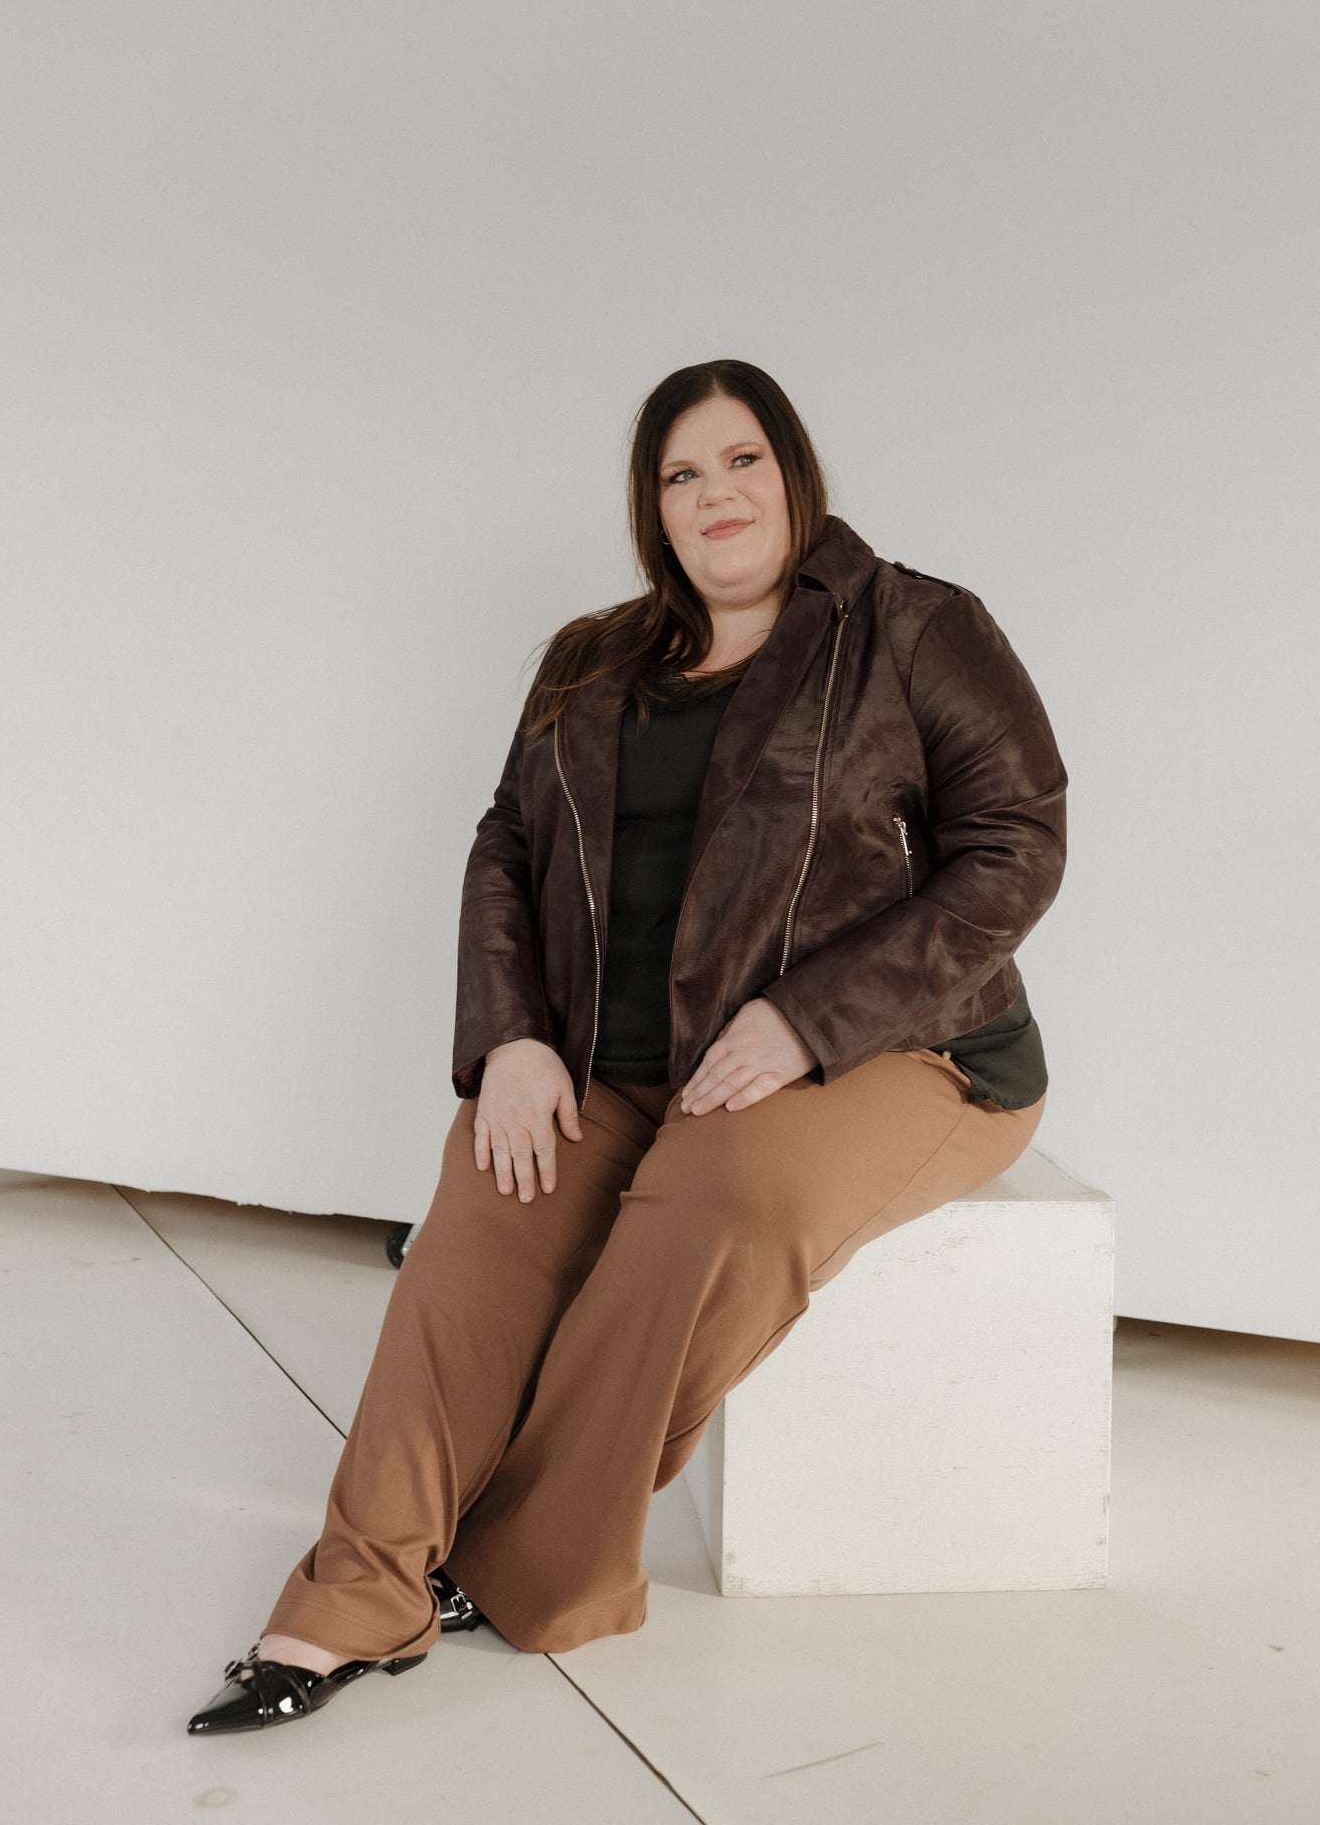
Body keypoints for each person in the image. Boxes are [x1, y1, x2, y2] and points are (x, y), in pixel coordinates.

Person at [188, 357, 1068, 1735]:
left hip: (905, 1052)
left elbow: (1012, 848)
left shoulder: (911, 626)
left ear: (791, 475)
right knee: (485, 1202)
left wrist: (806, 1017)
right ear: (649, 508)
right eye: (678, 474)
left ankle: (527, 1562)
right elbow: (505, 844)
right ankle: (355, 1593)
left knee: (715, 1197)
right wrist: (512, 1041)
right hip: (616, 1056)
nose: (713, 494)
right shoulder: (591, 657)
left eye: (740, 462)